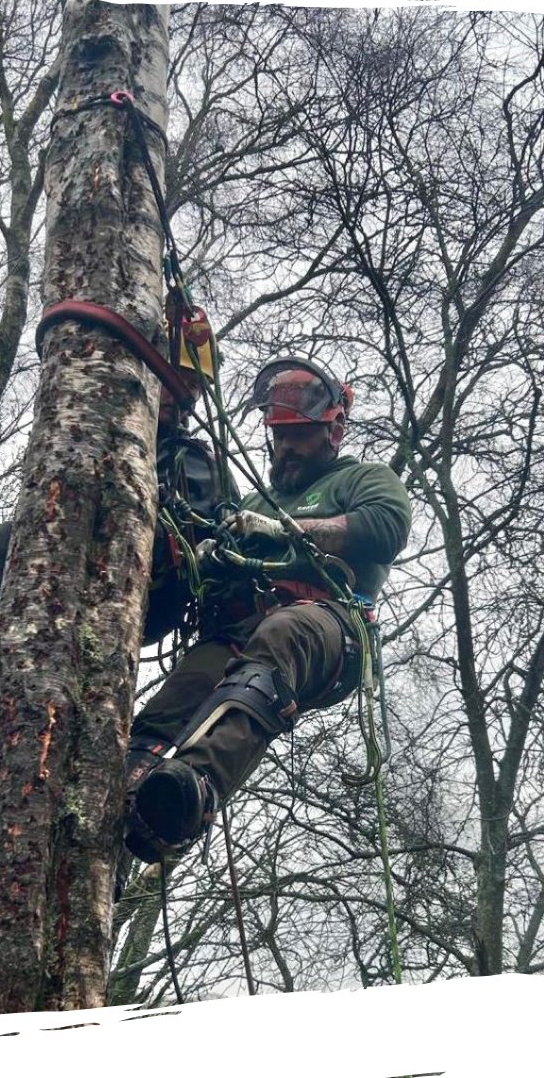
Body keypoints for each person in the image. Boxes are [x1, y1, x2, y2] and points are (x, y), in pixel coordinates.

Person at [124, 357, 412, 864]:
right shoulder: (257, 497)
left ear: (333, 430)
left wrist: (288, 529)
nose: (285, 447)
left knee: (283, 633)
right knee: (181, 694)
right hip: (242, 628)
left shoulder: (364, 479)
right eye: (278, 435)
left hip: (327, 623)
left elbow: (385, 528)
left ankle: (197, 784)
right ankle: (131, 801)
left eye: (299, 434)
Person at [0, 337, 233, 703]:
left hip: (157, 585)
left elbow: (211, 528)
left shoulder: (196, 460)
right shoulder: (111, 433)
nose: (179, 396)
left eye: (190, 388)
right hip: (88, 564)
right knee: (12, 533)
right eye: (173, 380)